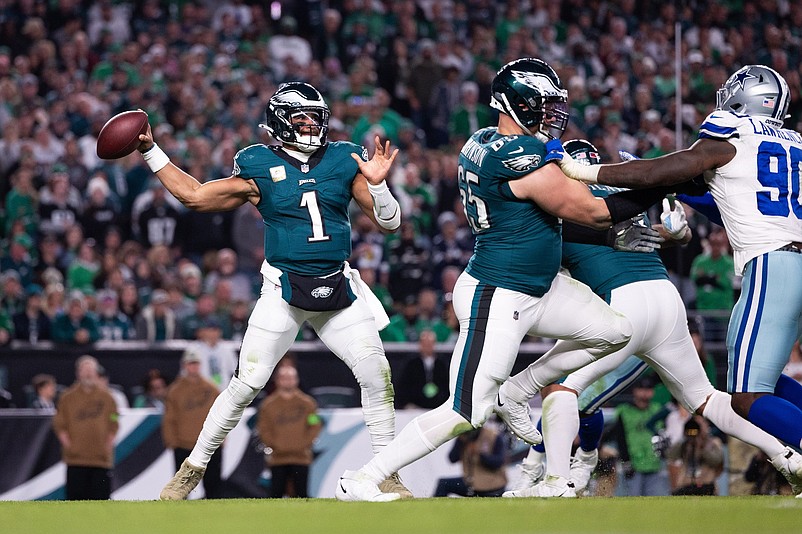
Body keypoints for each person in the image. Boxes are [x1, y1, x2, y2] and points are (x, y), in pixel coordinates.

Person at [335, 57, 679, 501]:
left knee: (615, 331)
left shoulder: (482, 141)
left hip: (540, 287)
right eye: (542, 104)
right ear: (514, 104)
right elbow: (591, 210)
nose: (552, 114)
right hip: (497, 293)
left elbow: (540, 207)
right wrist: (662, 181)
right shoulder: (520, 156)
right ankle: (365, 476)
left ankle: (518, 390)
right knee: (465, 410)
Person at [137, 81, 409, 500]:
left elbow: (390, 224)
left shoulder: (342, 157)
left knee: (377, 374)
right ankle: (192, 468)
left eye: (315, 116)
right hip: (283, 288)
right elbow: (194, 196)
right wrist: (151, 151)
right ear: (280, 121)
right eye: (300, 116)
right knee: (247, 383)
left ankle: (387, 473)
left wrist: (377, 185)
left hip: (336, 284)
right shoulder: (257, 163)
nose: (309, 124)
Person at [551, 64, 802, 493]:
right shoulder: (790, 142)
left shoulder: (733, 130)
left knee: (744, 395)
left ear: (747, 98)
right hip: (789, 258)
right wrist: (684, 191)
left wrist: (587, 173)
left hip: (772, 265)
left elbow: (661, 171)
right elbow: (730, 206)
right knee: (765, 380)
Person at [52, 355, 119, 500]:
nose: (88, 373)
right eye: (85, 370)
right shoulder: (67, 398)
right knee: (75, 501)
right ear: (78, 373)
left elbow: (114, 419)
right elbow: (59, 423)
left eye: (91, 370)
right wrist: (69, 445)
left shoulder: (108, 397)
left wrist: (108, 443)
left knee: (100, 503)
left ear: (97, 373)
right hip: (76, 460)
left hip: (101, 460)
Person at [161, 350, 223, 499]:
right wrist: (172, 442)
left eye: (195, 364)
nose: (193, 367)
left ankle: (214, 518)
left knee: (213, 485)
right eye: (190, 364)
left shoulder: (211, 388)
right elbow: (169, 418)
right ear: (184, 366)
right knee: (181, 488)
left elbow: (221, 414)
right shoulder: (175, 391)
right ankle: (181, 519)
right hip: (184, 445)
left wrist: (222, 437)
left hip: (209, 444)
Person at [256, 363, 322, 498]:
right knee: (276, 494)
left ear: (296, 380)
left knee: (301, 495)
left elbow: (314, 425)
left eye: (291, 377)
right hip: (278, 458)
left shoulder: (308, 404)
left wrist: (304, 443)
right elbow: (263, 429)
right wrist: (275, 445)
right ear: (278, 380)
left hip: (301, 458)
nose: (288, 381)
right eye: (285, 378)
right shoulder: (268, 406)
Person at [433, 419, 508, 498]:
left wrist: (480, 455)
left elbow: (498, 463)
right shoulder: (464, 437)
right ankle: (433, 509)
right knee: (444, 484)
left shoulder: (493, 436)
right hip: (471, 482)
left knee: (445, 484)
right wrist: (460, 442)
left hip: (492, 485)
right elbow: (452, 459)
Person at [395, 329, 450, 409]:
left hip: (439, 407)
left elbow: (447, 387)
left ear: (434, 344)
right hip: (415, 407)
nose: (427, 346)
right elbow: (403, 387)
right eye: (425, 344)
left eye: (430, 343)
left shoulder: (442, 364)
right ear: (420, 345)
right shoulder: (411, 364)